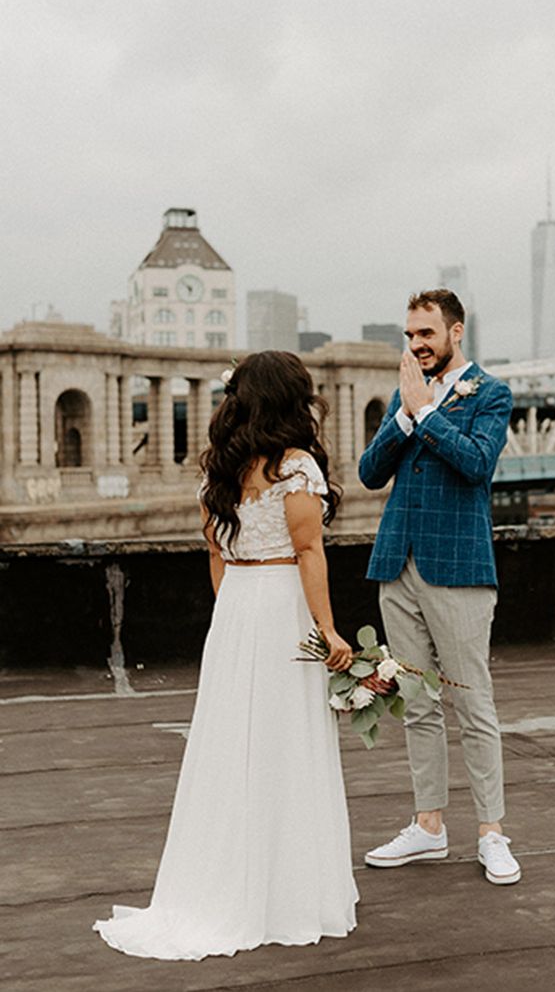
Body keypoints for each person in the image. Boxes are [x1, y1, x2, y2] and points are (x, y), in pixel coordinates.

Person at [93, 351, 359, 959]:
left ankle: (220, 884)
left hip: (236, 608)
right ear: (293, 401)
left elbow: (215, 554)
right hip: (280, 603)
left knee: (229, 745)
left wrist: (234, 614)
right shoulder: (296, 469)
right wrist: (329, 630)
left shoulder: (220, 467)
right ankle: (287, 892)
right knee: (286, 743)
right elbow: (309, 552)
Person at [358, 289, 521, 885]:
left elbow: (478, 464)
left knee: (472, 701)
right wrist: (404, 416)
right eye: (409, 335)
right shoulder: (407, 392)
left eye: (426, 334)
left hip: (458, 569)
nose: (416, 344)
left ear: (456, 331)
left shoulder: (492, 393)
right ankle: (428, 827)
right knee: (417, 705)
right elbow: (370, 472)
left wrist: (426, 413)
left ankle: (492, 832)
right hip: (396, 567)